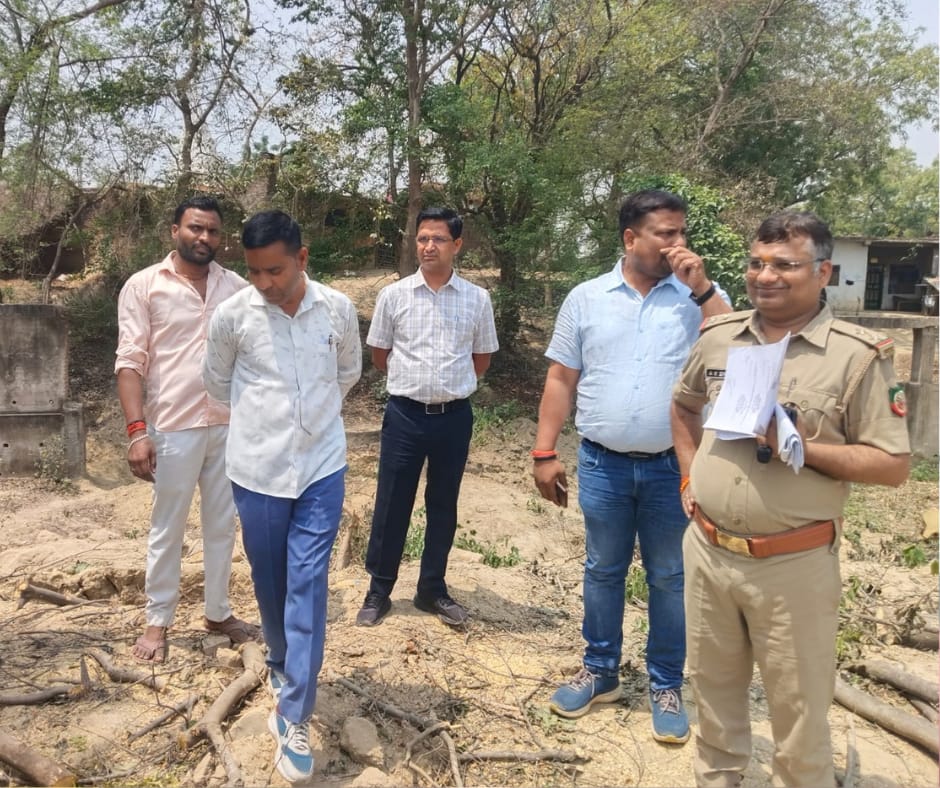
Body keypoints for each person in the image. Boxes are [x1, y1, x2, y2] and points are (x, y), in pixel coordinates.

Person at [671, 211, 911, 787]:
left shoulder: (857, 355)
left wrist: (804, 448)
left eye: (784, 264)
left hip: (793, 564)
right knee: (712, 691)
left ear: (823, 272)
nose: (765, 276)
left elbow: (893, 465)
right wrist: (688, 476)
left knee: (798, 711)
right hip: (708, 551)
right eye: (756, 263)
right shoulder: (720, 336)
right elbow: (683, 404)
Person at [532, 189, 732, 742]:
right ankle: (600, 672)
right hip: (603, 465)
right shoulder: (586, 298)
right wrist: (544, 451)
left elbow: (739, 350)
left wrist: (702, 290)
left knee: (669, 576)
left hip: (675, 468)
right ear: (630, 238)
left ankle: (666, 683)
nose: (678, 243)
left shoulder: (698, 298)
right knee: (603, 569)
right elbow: (561, 378)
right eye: (666, 233)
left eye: (681, 232)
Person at [203, 210, 361, 783]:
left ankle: (293, 712)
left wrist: (308, 422)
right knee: (270, 582)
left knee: (308, 585)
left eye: (275, 270)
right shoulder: (232, 316)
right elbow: (217, 382)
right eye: (254, 272)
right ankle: (277, 659)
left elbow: (347, 373)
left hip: (321, 468)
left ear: (302, 258)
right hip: (256, 472)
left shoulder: (337, 309)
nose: (265, 283)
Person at [115, 195, 256, 664]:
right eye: (196, 228)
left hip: (228, 425)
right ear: (174, 230)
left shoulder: (236, 288)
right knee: (167, 527)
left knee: (222, 526)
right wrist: (137, 432)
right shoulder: (145, 286)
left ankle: (218, 612)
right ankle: (158, 621)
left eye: (213, 230)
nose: (204, 237)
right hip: (173, 427)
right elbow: (130, 362)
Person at [356, 206, 499, 628]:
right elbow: (380, 355)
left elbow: (481, 358)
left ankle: (431, 589)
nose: (428, 246)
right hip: (405, 415)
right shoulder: (394, 296)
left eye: (438, 239)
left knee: (443, 503)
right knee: (391, 502)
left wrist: (449, 385)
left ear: (457, 245)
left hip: (453, 418)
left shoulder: (476, 299)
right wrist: (414, 383)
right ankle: (379, 590)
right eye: (422, 239)